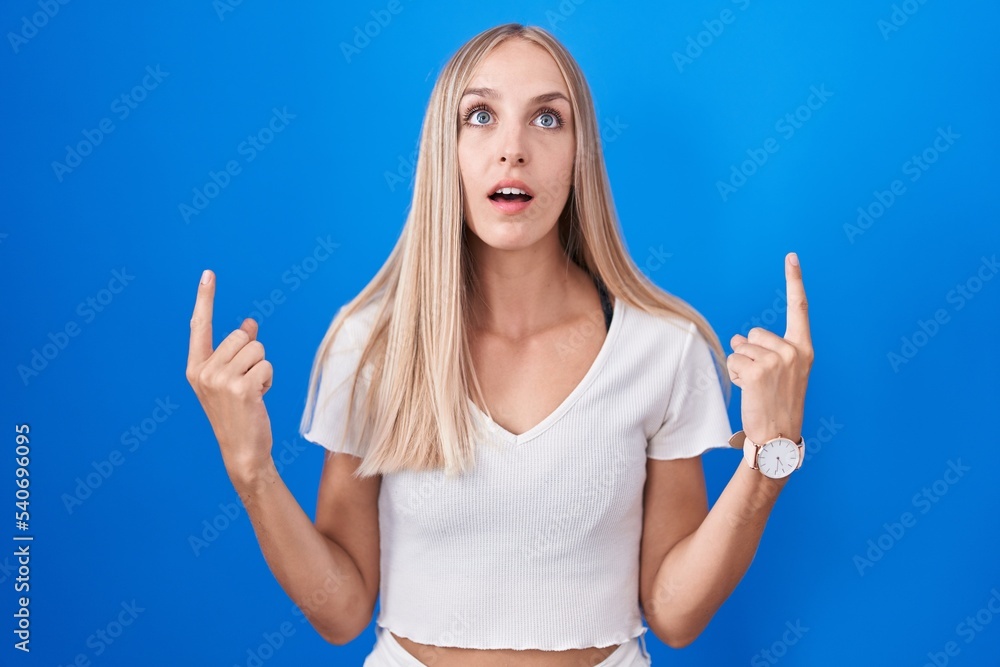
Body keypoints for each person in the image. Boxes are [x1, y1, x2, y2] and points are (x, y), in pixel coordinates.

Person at [186, 22, 814, 667]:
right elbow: (341, 611)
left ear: (580, 154)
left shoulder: (664, 348)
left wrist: (768, 460)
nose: (513, 149)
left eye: (547, 119)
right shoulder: (373, 343)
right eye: (481, 116)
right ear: (446, 149)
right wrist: (251, 470)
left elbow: (675, 616)